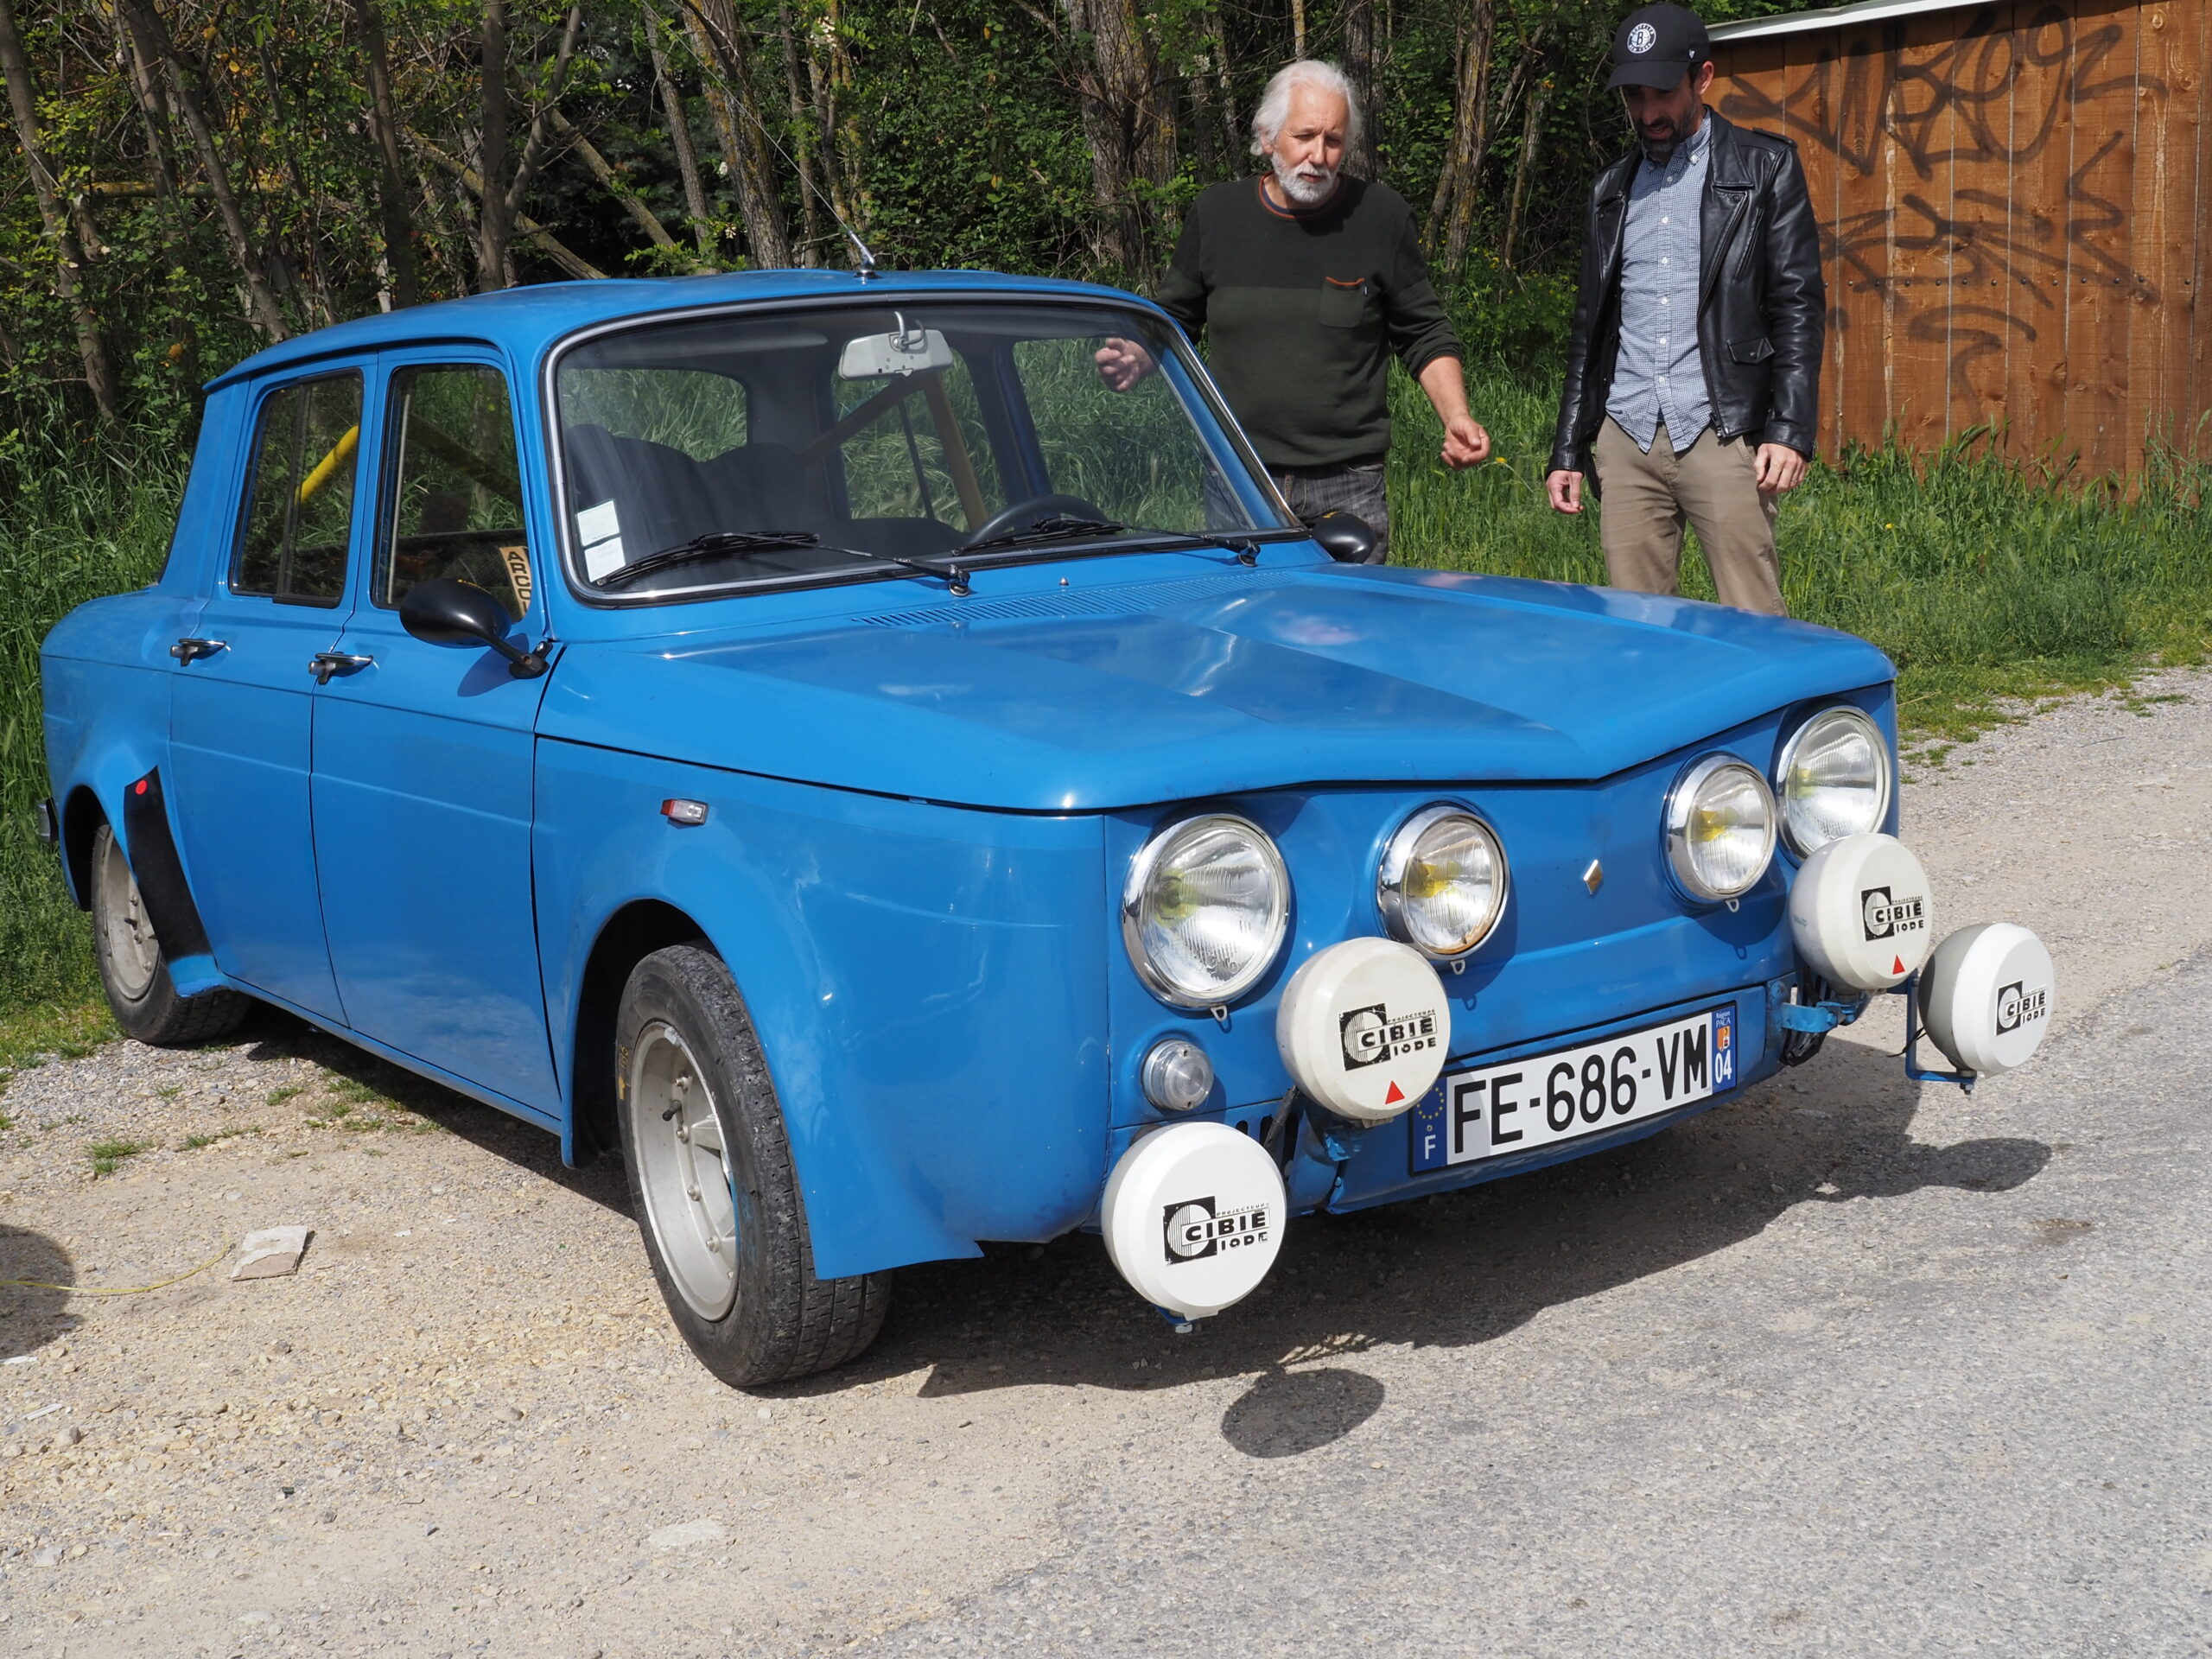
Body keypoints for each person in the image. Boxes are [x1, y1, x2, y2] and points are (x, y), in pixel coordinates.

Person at [1095, 60, 1491, 563]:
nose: (1318, 156)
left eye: (1334, 141)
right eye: (1304, 136)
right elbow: (1175, 320)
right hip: (1238, 477)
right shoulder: (1217, 215)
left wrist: (1456, 416)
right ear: (1267, 136)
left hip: (1347, 482)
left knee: (1346, 613)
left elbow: (1423, 331)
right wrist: (1138, 354)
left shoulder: (1380, 217)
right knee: (1246, 612)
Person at [1544, 3, 1824, 615]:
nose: (1648, 113)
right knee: (1640, 632)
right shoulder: (1609, 190)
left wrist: (1790, 429)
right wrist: (1569, 448)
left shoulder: (1764, 168)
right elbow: (1589, 329)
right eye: (1634, 97)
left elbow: (1798, 304)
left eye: (1663, 93)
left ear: (1703, 79)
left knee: (1754, 622)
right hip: (1626, 435)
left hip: (1724, 431)